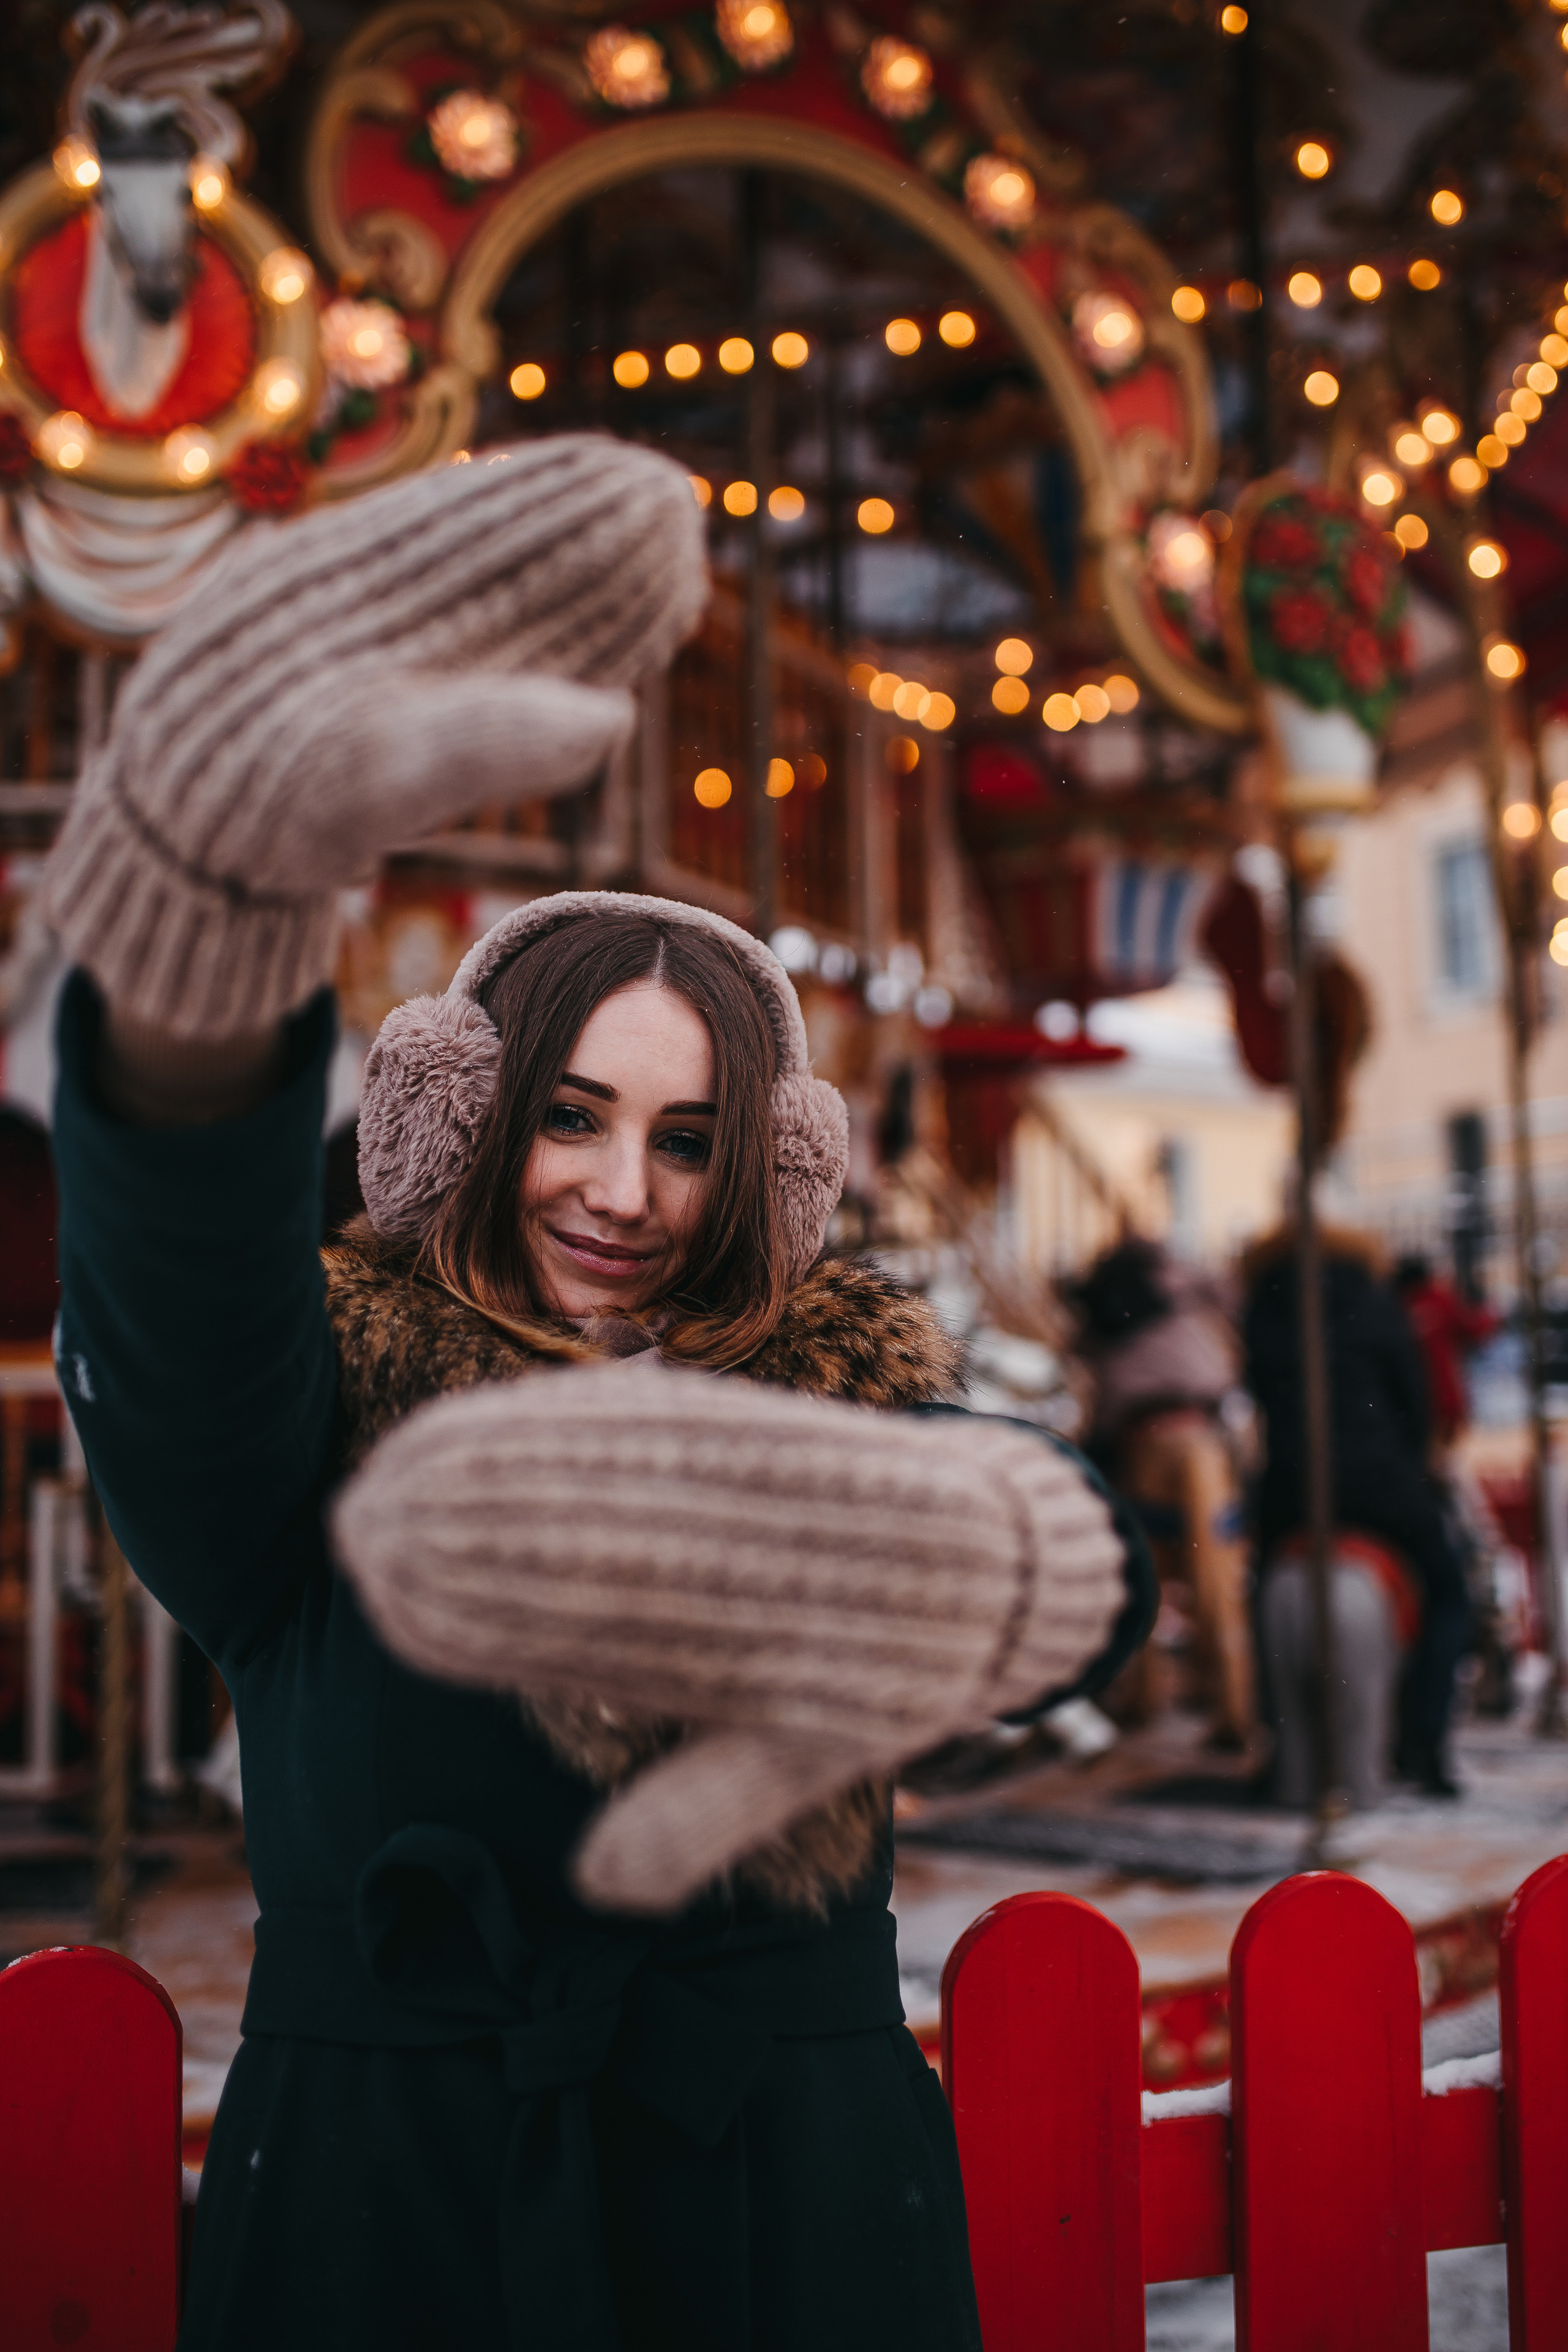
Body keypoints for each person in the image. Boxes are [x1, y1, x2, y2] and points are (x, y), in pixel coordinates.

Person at [43, 436, 1136, 2351]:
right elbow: (176, 1301)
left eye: (690, 1140)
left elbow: (1038, 1535)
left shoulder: (839, 1425)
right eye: (569, 1115)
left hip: (797, 2216)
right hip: (398, 2222)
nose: (624, 1193)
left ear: (771, 1171)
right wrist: (200, 952)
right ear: (456, 1116)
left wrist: (1027, 1558)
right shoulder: (311, 1435)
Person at [1242, 1224, 1471, 1796]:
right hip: (1383, 1487)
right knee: (1448, 1595)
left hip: (1293, 1492)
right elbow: (1415, 1406)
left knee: (1260, 1594)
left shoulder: (1265, 1311)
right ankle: (1424, 1741)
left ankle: (1279, 1738)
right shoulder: (1378, 1305)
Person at [1066, 1237, 1256, 1748]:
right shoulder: (1180, 1284)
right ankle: (1233, 1707)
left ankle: (1143, 1697)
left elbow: (1092, 1383)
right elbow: (1236, 1298)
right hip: (1200, 1438)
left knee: (1143, 1575)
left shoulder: (1099, 1308)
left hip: (1142, 1443)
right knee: (1214, 1576)